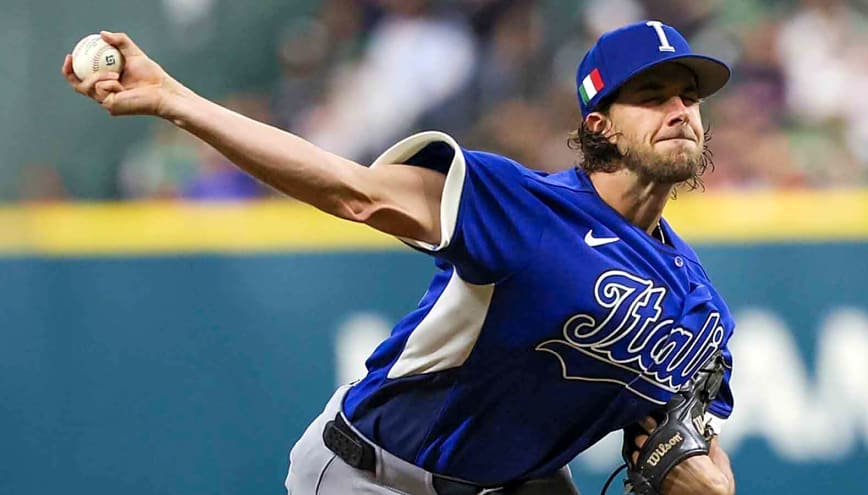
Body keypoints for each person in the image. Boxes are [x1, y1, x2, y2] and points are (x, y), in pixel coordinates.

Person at [62, 20, 736, 495]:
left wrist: (712, 483)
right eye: (652, 96)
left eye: (689, 96)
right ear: (599, 124)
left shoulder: (698, 305)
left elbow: (690, 445)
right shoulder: (524, 207)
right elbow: (352, 191)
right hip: (371, 474)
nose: (679, 110)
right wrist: (174, 100)